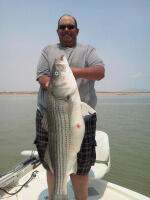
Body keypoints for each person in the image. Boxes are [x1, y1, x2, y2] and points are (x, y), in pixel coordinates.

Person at [34, 14, 105, 200]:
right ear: (57, 30)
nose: (67, 29)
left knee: (80, 168)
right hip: (47, 114)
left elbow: (100, 72)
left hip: (83, 118)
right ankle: (56, 195)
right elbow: (42, 76)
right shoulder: (47, 50)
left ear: (77, 30)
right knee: (53, 162)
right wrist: (52, 82)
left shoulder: (88, 50)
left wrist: (74, 72)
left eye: (71, 26)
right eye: (63, 27)